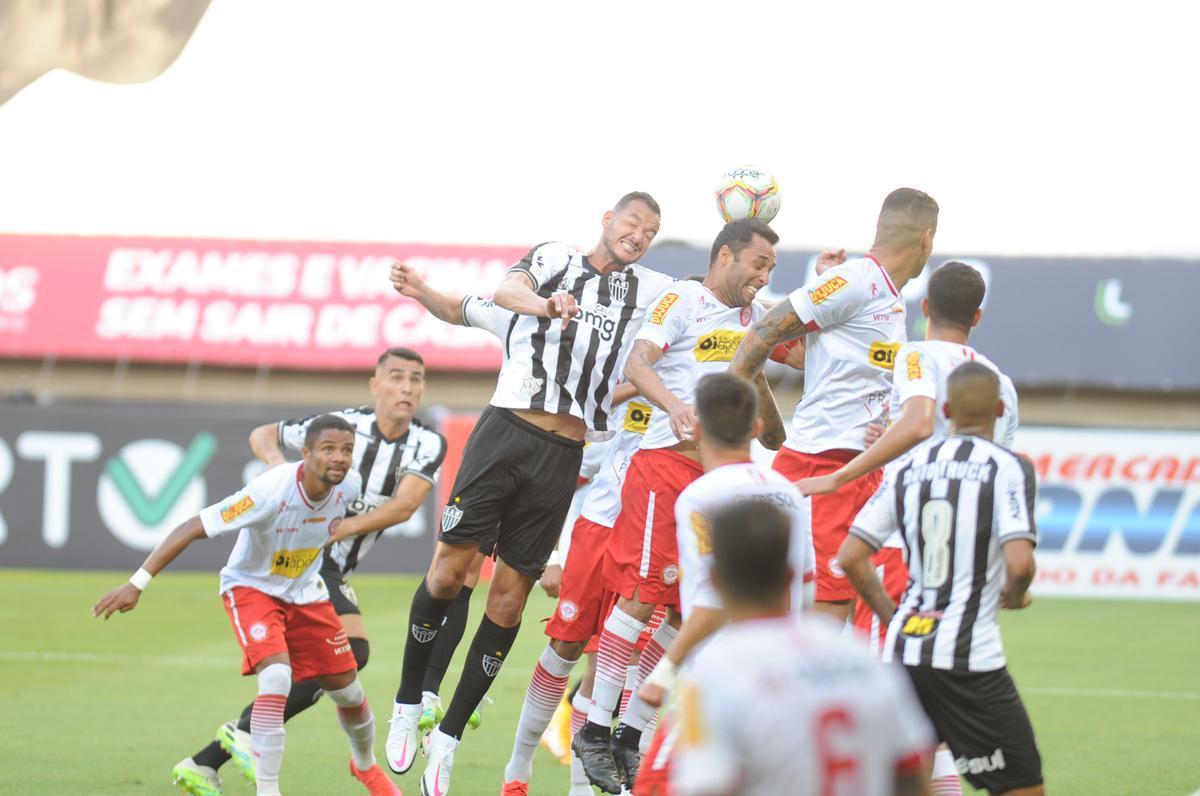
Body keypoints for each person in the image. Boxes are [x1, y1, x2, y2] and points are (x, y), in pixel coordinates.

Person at [386, 192, 677, 796]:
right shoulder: (552, 263)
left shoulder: (647, 292)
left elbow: (706, 298)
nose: (639, 235)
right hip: (505, 433)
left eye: (650, 230)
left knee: (511, 601)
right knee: (448, 574)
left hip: (562, 456)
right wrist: (425, 291)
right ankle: (409, 701)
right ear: (607, 220)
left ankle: (449, 739)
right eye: (631, 223)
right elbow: (484, 297)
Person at [171, 348, 447, 793]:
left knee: (336, 670)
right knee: (349, 656)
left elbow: (404, 505)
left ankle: (211, 756)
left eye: (416, 380)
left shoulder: (427, 441)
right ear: (376, 385)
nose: (407, 388)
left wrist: (337, 527)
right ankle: (244, 737)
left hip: (329, 559)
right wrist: (279, 468)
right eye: (396, 378)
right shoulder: (341, 425)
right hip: (311, 566)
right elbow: (264, 433)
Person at [573, 219, 785, 794]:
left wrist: (758, 359)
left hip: (717, 478)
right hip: (665, 468)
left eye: (771, 268)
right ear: (725, 257)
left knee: (685, 612)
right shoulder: (683, 298)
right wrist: (674, 407)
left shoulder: (755, 321)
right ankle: (594, 729)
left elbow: (778, 424)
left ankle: (631, 733)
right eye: (758, 264)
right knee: (642, 598)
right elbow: (638, 363)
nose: (763, 277)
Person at [93, 415, 400, 796]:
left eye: (347, 450)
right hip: (252, 589)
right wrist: (137, 583)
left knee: (349, 693)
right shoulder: (269, 491)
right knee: (277, 677)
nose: (339, 458)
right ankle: (268, 790)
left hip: (306, 592)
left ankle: (366, 767)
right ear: (305, 454)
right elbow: (193, 527)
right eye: (328, 449)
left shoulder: (349, 484)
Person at [730, 187, 940, 621]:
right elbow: (767, 329)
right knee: (823, 617)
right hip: (820, 465)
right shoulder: (858, 280)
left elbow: (815, 359)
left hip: (855, 470)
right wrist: (724, 412)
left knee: (835, 616)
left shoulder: (885, 294)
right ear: (927, 239)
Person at [839, 362, 1042, 796]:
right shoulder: (1007, 467)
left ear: (945, 409)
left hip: (905, 647)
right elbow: (1020, 564)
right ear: (1000, 408)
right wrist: (1016, 594)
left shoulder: (909, 465)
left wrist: (893, 618)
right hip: (969, 657)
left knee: (906, 782)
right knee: (1022, 786)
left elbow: (852, 556)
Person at [666, 500, 935, 796]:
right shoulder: (860, 654)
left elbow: (707, 788)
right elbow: (910, 775)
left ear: (715, 580)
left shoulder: (715, 673)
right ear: (792, 574)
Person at [630, 372, 816, 793]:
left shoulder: (701, 497)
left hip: (720, 674)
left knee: (655, 783)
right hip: (784, 675)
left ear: (695, 429)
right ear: (755, 429)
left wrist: (664, 670)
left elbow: (715, 597)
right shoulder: (787, 491)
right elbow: (806, 584)